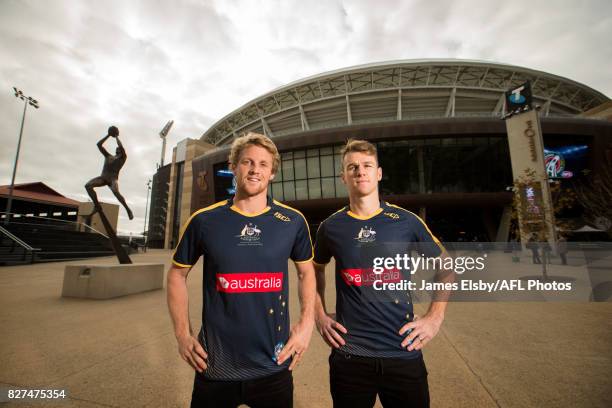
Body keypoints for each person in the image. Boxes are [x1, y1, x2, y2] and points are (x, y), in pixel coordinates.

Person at [167, 132, 316, 408]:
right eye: (247, 162)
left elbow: (306, 273)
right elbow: (177, 275)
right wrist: (183, 335)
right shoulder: (204, 221)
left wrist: (306, 325)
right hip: (216, 367)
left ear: (272, 173)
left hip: (274, 365)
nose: (255, 169)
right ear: (233, 166)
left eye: (263, 164)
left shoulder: (293, 221)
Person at [313, 139, 453, 408]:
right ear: (343, 176)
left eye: (367, 165)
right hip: (350, 357)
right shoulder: (330, 227)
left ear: (378, 173)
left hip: (403, 352)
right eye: (352, 167)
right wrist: (319, 313)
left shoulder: (407, 221)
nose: (360, 171)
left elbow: (446, 267)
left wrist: (435, 317)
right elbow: (314, 271)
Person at [85, 126, 134, 220]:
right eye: (117, 149)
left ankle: (128, 209)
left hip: (113, 179)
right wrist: (108, 135)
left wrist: (116, 136)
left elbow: (122, 147)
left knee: (116, 192)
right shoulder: (108, 156)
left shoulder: (123, 158)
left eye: (119, 149)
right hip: (103, 178)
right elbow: (99, 144)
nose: (118, 150)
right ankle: (97, 206)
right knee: (88, 186)